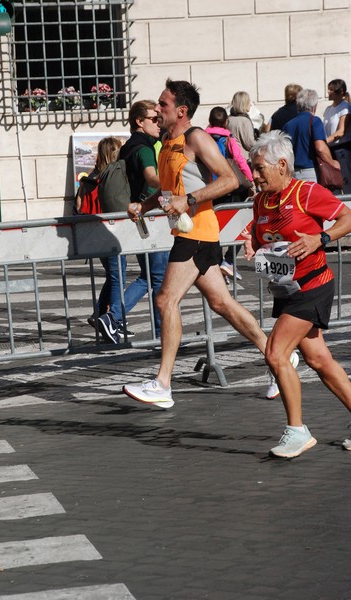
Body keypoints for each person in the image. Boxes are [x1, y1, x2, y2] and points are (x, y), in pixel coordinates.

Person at [122, 78, 292, 409]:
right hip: (189, 231)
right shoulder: (167, 143)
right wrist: (144, 205)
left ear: (181, 111)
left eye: (163, 104)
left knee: (165, 300)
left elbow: (231, 179)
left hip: (197, 233)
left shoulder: (195, 137)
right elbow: (170, 190)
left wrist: (191, 200)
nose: (158, 109)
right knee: (222, 304)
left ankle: (162, 384)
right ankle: (279, 358)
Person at [245, 130, 351, 458]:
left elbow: (348, 217)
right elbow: (265, 233)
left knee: (276, 353)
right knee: (319, 359)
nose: (255, 174)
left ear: (281, 165)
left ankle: (297, 431)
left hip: (314, 286)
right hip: (288, 289)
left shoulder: (306, 192)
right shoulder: (261, 199)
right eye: (253, 167)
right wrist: (254, 243)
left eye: (260, 167)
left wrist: (320, 238)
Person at [97, 100, 168, 343]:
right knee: (158, 277)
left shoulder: (128, 147)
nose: (159, 124)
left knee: (151, 275)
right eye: (154, 119)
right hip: (149, 219)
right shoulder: (144, 148)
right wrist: (175, 187)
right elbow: (151, 176)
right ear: (139, 121)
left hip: (139, 218)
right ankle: (161, 335)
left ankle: (113, 316)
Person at [86, 136, 130, 337]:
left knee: (113, 276)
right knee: (117, 276)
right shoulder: (113, 177)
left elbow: (79, 206)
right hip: (110, 231)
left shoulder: (91, 178)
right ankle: (113, 320)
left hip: (92, 232)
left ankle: (99, 314)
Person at [205, 106, 255, 281]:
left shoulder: (203, 138)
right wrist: (251, 180)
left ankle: (219, 265)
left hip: (211, 188)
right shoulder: (228, 139)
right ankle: (229, 261)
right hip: (230, 186)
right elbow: (240, 160)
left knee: (215, 228)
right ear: (226, 122)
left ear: (210, 121)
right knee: (239, 225)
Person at [283, 89, 340, 183]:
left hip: (293, 173)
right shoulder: (315, 121)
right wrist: (332, 162)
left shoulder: (288, 125)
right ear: (314, 106)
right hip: (311, 171)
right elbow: (320, 148)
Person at [227, 91, 258, 160]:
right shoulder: (244, 121)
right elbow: (250, 143)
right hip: (243, 159)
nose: (250, 104)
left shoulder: (229, 119)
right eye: (248, 101)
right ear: (244, 103)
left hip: (231, 158)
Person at [323, 79, 350, 144]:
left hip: (341, 149)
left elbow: (341, 131)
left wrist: (325, 141)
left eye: (331, 90)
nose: (328, 92)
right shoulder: (328, 109)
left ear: (341, 91)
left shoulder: (345, 108)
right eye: (328, 89)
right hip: (329, 147)